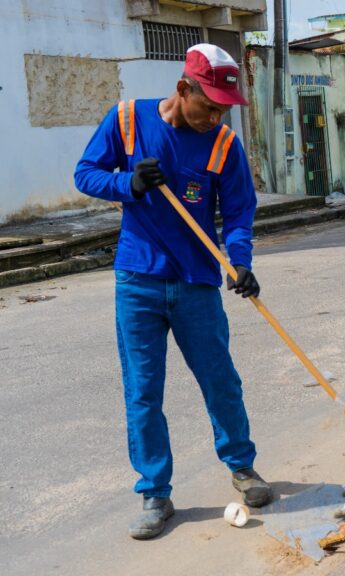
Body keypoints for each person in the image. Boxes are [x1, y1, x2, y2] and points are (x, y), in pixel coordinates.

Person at [74, 44, 271, 540]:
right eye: (209, 106)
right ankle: (154, 492)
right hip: (137, 279)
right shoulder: (125, 121)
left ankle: (242, 467)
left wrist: (240, 262)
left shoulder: (224, 145)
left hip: (197, 282)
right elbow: (85, 175)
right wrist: (128, 183)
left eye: (224, 109)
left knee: (220, 380)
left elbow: (240, 212)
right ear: (183, 89)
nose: (216, 117)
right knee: (143, 391)